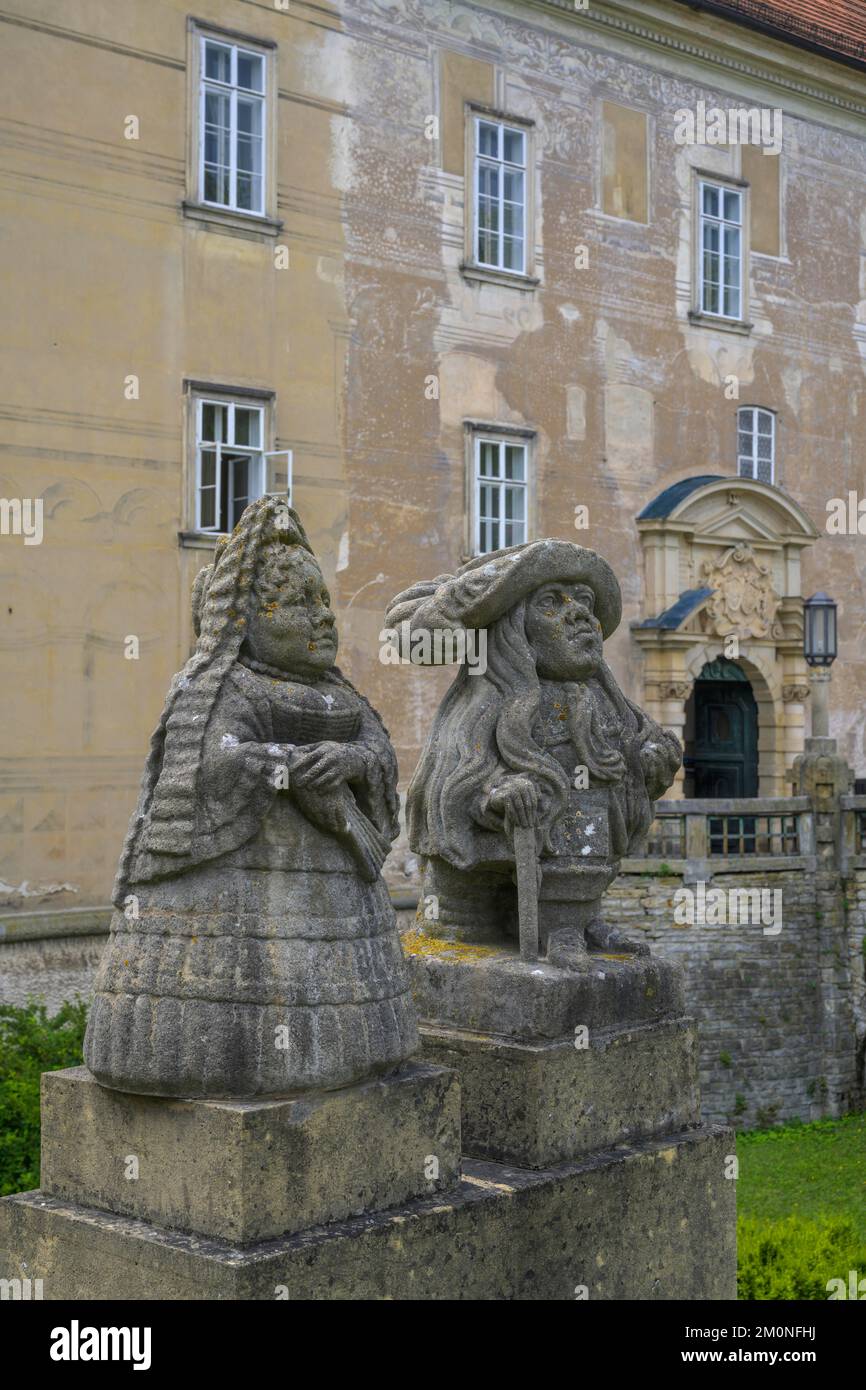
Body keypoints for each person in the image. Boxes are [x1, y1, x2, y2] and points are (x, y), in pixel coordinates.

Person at [85, 497, 417, 1096]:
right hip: (236, 894)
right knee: (240, 1015)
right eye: (297, 604)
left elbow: (380, 756)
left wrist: (351, 760)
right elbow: (218, 760)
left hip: (336, 896)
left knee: (342, 1023)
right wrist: (289, 769)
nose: (323, 619)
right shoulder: (220, 686)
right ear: (245, 620)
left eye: (324, 603)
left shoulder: (340, 695)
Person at [385, 539, 681, 965]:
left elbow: (640, 747)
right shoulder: (491, 702)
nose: (579, 614)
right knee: (459, 923)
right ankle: (535, 926)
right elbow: (454, 779)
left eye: (584, 601)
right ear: (514, 630)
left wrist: (650, 759)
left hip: (578, 868)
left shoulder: (600, 701)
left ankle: (576, 921)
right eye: (551, 603)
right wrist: (496, 791)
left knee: (593, 801)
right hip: (480, 882)